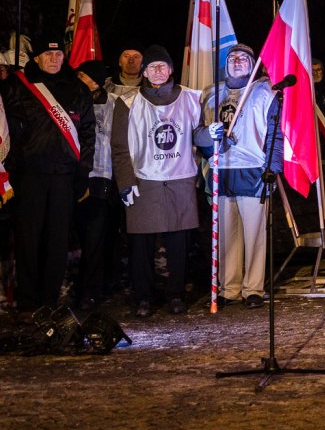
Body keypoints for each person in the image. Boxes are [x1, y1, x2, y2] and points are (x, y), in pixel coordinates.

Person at [0, 34, 95, 316]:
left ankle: (50, 301)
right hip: (30, 175)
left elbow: (88, 133)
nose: (54, 60)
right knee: (28, 239)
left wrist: (83, 172)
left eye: (58, 55)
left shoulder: (77, 89)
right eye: (48, 55)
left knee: (57, 240)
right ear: (37, 58)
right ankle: (29, 303)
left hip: (65, 176)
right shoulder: (18, 86)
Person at [111, 45, 202, 318]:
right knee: (141, 244)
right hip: (144, 180)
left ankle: (175, 293)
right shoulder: (127, 102)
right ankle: (143, 297)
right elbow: (120, 147)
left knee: (178, 242)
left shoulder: (190, 98)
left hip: (180, 178)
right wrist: (125, 182)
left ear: (171, 69)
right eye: (152, 67)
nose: (158, 71)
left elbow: (198, 135)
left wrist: (211, 135)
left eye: (163, 66)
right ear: (144, 71)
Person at [195, 44, 280, 309]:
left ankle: (253, 288)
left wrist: (273, 167)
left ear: (252, 63)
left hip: (253, 168)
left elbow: (276, 134)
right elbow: (196, 134)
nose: (238, 61)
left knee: (254, 233)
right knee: (226, 234)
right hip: (221, 168)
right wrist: (210, 136)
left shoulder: (265, 92)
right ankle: (229, 287)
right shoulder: (212, 94)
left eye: (244, 57)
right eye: (232, 57)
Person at [74, 59, 118, 309]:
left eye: (86, 76)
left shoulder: (112, 104)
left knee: (95, 240)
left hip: (100, 175)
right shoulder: (70, 100)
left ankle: (91, 291)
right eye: (78, 75)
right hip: (72, 176)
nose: (81, 80)